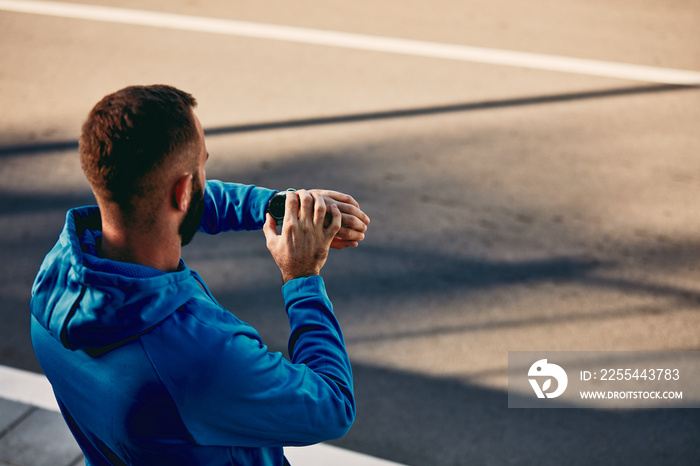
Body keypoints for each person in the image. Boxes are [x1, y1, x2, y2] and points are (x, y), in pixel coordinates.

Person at [30, 84, 370, 465]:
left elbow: (182, 206)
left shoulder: (54, 285)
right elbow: (333, 405)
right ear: (183, 190)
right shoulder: (201, 359)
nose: (205, 178)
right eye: (201, 167)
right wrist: (302, 278)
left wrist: (279, 206)